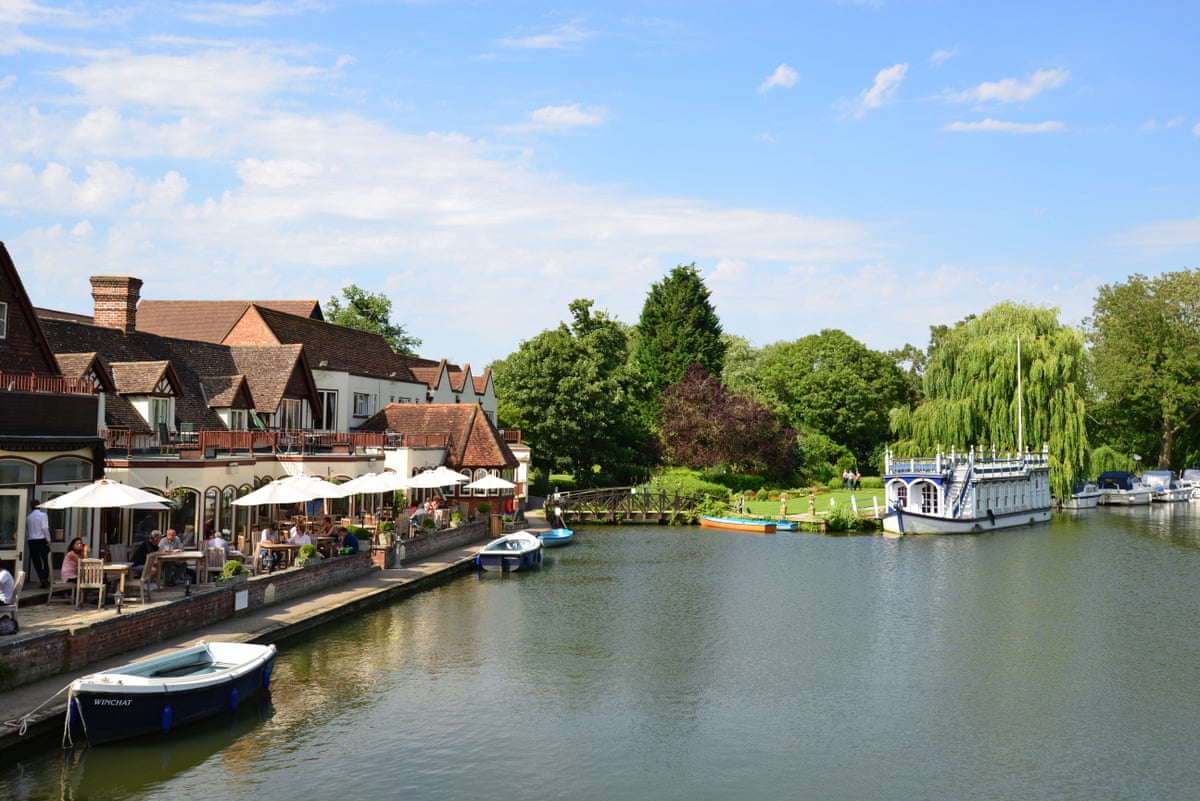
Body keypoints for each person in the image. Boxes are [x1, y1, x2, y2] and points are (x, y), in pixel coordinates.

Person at [25, 503, 51, 588]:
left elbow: (27, 530)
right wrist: (48, 539)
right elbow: (45, 528)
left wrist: (28, 538)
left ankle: (41, 579)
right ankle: (45, 578)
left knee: (36, 562)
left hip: (32, 541)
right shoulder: (43, 515)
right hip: (41, 540)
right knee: (47, 560)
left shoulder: (28, 517)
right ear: (39, 506)